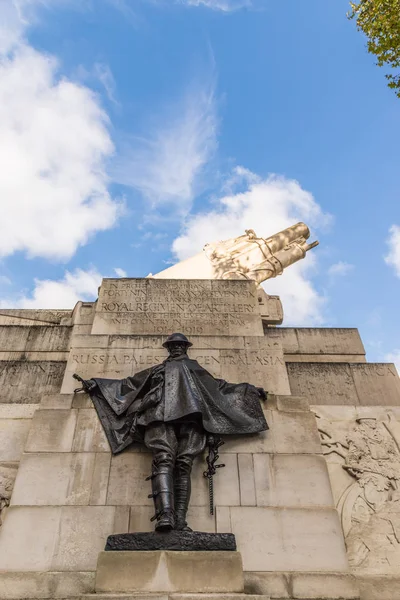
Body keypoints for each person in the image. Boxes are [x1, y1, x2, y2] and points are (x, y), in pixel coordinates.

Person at [74, 333, 268, 532]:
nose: (176, 348)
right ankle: (165, 516)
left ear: (185, 347)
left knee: (184, 464)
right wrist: (98, 384)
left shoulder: (196, 369)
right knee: (164, 459)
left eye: (180, 345)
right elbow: (129, 384)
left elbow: (219, 387)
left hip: (192, 418)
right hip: (159, 415)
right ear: (168, 348)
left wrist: (249, 390)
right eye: (173, 345)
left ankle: (180, 521)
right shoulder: (158, 369)